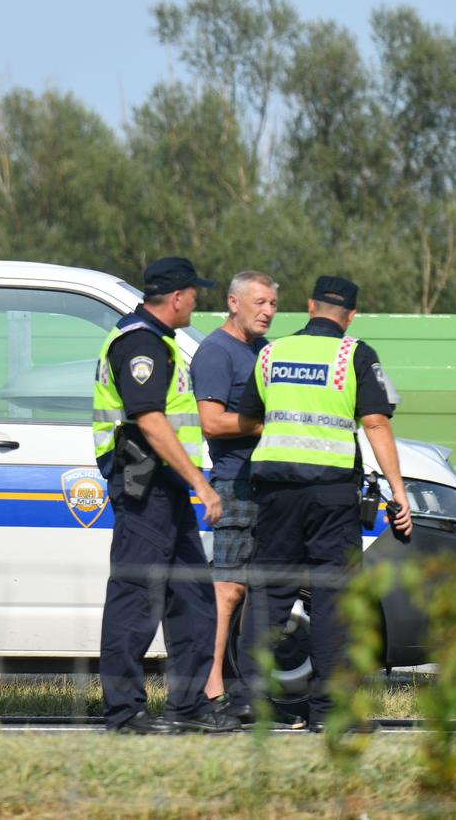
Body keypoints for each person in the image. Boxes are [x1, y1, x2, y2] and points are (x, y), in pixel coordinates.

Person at [239, 275, 411, 731]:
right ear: (351, 315)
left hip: (275, 490)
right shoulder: (355, 354)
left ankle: (251, 704)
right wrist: (399, 491)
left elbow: (249, 416)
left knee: (269, 592)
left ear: (310, 305)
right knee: (333, 598)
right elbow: (375, 423)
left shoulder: (272, 352)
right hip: (331, 494)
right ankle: (329, 712)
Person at [92, 256, 236, 734]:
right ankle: (124, 712)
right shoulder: (140, 344)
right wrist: (200, 483)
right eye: (195, 293)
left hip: (165, 490)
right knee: (135, 602)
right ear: (177, 297)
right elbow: (150, 419)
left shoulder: (159, 342)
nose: (198, 300)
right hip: (144, 487)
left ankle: (189, 706)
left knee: (193, 601)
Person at [189, 270, 277, 720]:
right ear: (233, 302)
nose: (267, 311)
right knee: (226, 590)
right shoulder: (216, 352)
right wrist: (273, 425)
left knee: (256, 593)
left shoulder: (263, 353)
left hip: (267, 485)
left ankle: (247, 692)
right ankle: (211, 690)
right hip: (234, 482)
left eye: (273, 304)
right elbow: (213, 422)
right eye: (259, 302)